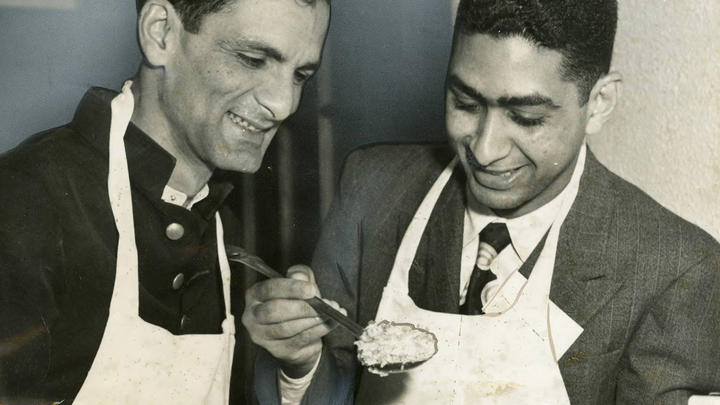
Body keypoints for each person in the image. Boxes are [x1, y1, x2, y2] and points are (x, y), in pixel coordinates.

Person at [244, 0, 720, 403]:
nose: (485, 149)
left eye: (527, 117)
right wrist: (299, 361)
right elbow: (332, 381)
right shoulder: (374, 187)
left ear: (598, 102)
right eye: (465, 104)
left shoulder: (674, 268)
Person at [0, 0, 329, 403]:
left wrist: (293, 369)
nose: (283, 104)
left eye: (300, 76)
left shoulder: (227, 231)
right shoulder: (25, 201)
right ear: (161, 33)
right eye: (253, 58)